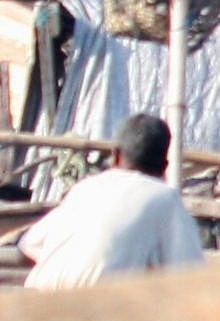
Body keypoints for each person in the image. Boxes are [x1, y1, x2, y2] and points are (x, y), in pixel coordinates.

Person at [22, 114, 200, 284]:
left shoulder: (86, 188)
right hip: (95, 306)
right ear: (165, 165)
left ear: (115, 155)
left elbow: (30, 243)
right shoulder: (165, 199)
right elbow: (189, 272)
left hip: (41, 297)